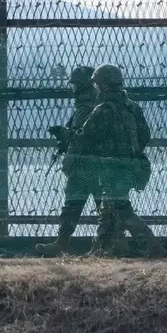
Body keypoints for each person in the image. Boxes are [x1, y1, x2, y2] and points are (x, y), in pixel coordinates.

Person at [57, 63, 162, 258]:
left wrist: (65, 134)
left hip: (111, 167)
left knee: (121, 209)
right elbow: (145, 135)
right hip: (133, 165)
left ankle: (151, 243)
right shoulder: (133, 107)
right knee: (109, 209)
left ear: (103, 85)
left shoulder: (103, 109)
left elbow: (85, 137)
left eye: (97, 84)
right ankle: (100, 250)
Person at [34, 66, 100, 257]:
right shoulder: (87, 105)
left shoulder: (91, 107)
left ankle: (102, 245)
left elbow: (85, 136)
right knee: (76, 205)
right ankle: (62, 243)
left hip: (90, 164)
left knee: (96, 206)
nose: (74, 88)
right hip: (84, 163)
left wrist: (65, 134)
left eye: (78, 84)